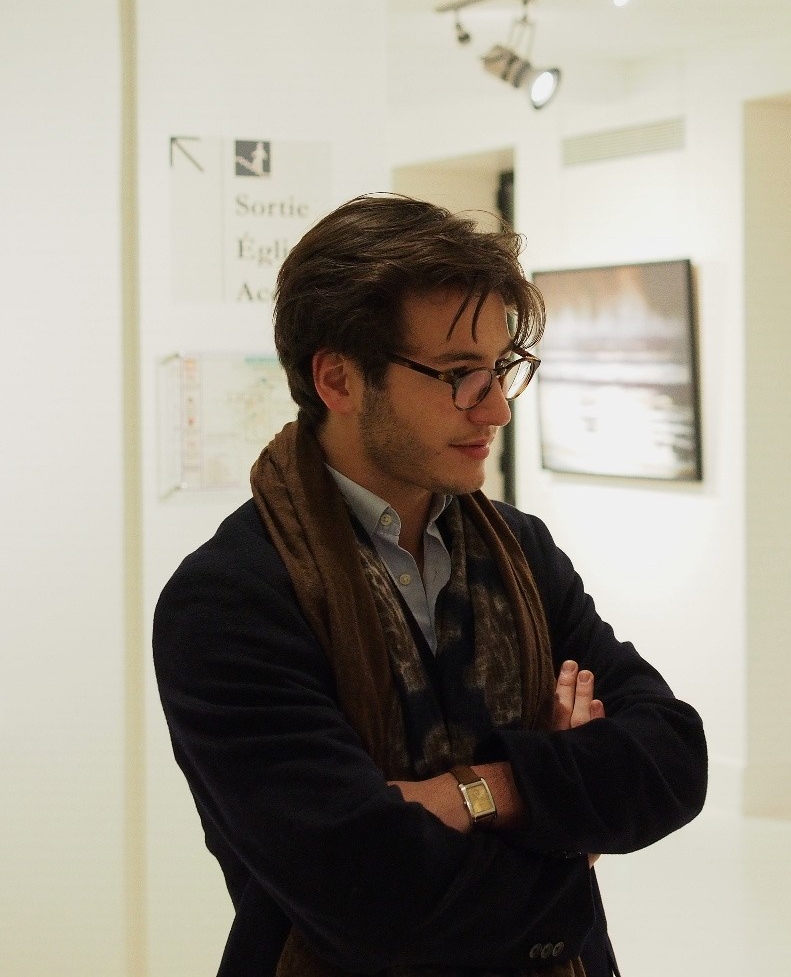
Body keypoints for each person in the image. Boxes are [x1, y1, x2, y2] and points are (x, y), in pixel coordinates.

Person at [154, 193, 708, 977]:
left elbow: (673, 757)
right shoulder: (228, 600)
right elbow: (374, 893)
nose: (497, 409)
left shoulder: (521, 551)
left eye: (501, 369)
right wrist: (566, 821)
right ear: (338, 379)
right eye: (458, 375)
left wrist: (482, 790)